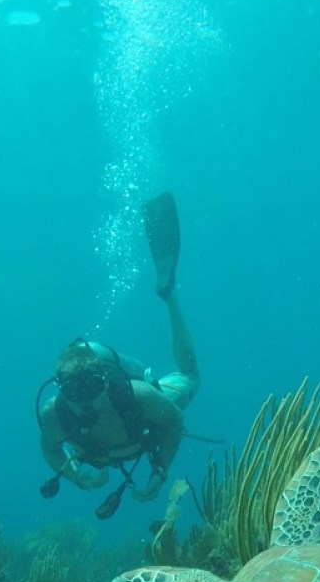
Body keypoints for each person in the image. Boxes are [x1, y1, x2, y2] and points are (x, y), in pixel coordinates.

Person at [37, 193, 200, 518]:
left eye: (92, 388)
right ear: (60, 389)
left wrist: (159, 472)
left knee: (191, 378)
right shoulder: (54, 416)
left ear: (105, 383)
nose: (84, 402)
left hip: (143, 408)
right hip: (117, 448)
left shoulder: (138, 396)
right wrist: (73, 475)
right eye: (73, 392)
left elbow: (174, 422)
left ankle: (169, 295)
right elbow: (51, 449)